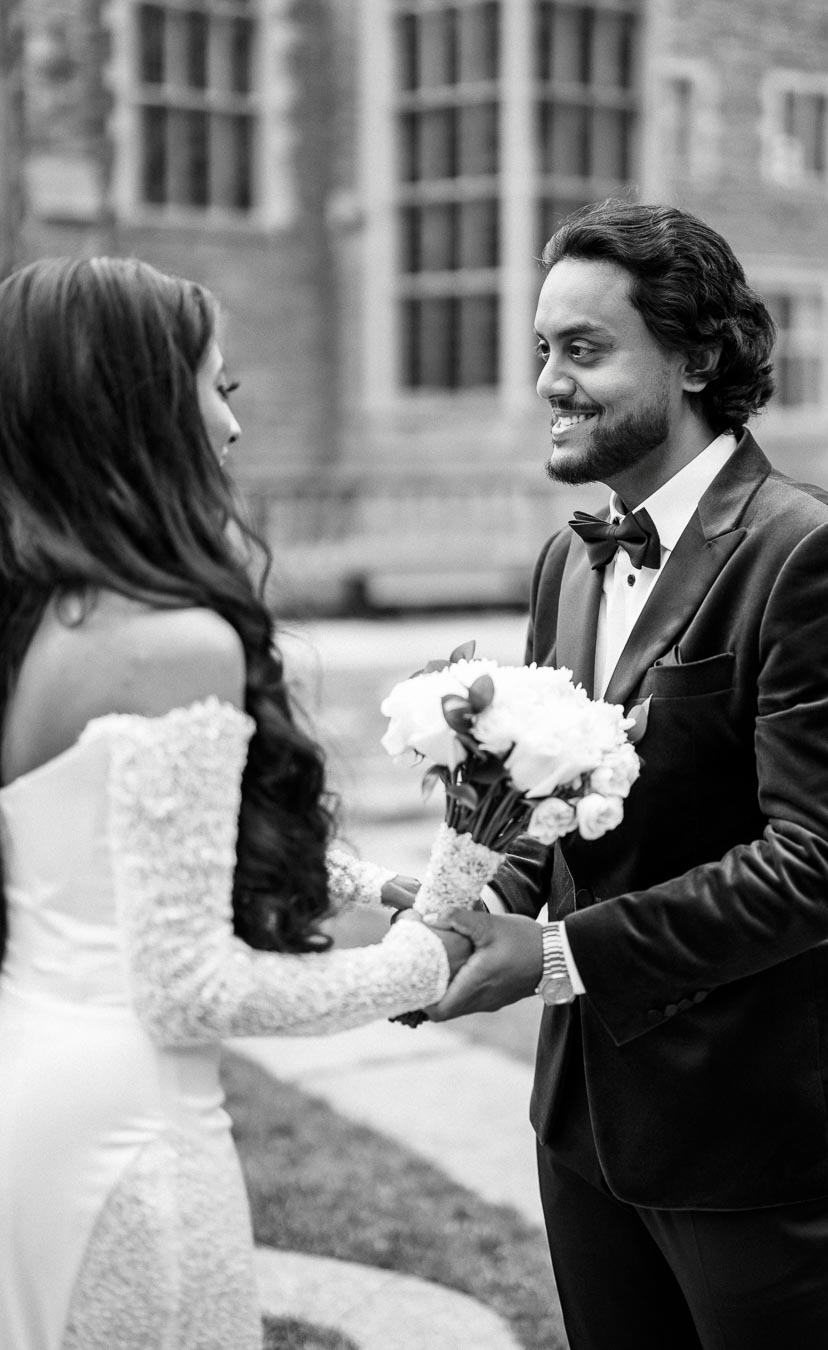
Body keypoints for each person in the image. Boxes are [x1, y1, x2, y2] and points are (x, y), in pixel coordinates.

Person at [427, 201, 828, 1348]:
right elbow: (549, 799)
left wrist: (552, 957)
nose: (548, 381)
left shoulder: (817, 554)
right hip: (581, 1117)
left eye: (583, 350)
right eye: (543, 349)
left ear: (695, 357)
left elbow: (825, 865)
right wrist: (478, 906)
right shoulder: (569, 559)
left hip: (754, 1128)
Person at [0, 255, 471, 1350]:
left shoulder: (36, 618)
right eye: (221, 389)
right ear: (139, 412)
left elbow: (101, 844)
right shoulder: (175, 643)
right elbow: (190, 989)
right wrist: (428, 952)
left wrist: (357, 879)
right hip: (132, 1125)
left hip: (32, 1085)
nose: (233, 429)